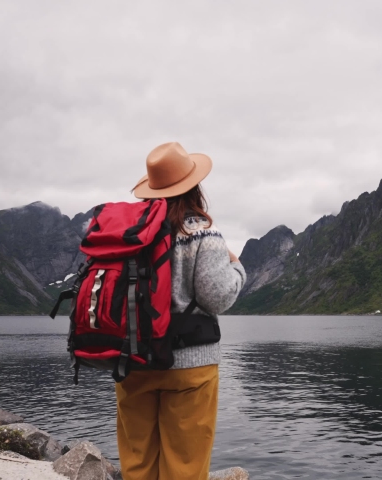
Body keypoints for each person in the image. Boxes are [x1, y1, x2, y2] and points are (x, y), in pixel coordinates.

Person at [117, 142, 246, 479]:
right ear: (194, 187)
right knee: (186, 466)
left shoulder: (126, 236)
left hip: (133, 360)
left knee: (137, 462)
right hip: (190, 368)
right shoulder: (202, 233)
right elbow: (218, 297)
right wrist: (238, 267)